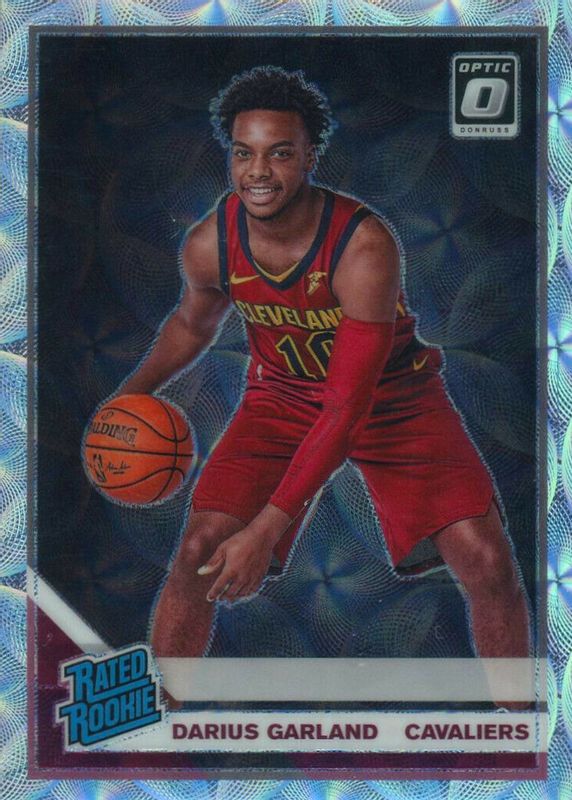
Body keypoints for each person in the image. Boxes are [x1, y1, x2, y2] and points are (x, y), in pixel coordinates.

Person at [120, 66, 530, 672]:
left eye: (280, 153)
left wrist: (264, 532)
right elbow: (192, 322)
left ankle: (518, 722)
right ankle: (158, 713)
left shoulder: (362, 247)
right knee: (198, 551)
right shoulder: (211, 242)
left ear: (311, 156)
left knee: (488, 562)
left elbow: (345, 408)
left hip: (395, 401)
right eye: (244, 153)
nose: (258, 171)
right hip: (282, 400)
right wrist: (129, 396)